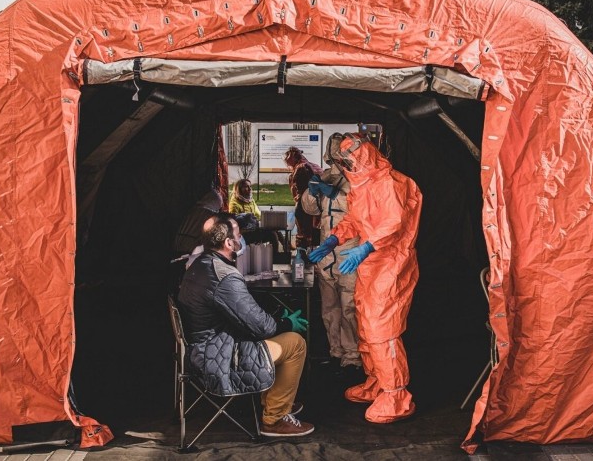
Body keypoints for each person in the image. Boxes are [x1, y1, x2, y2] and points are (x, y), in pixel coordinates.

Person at [309, 133, 422, 424]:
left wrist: (368, 246)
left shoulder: (389, 182)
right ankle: (376, 383)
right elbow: (353, 219)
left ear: (365, 155)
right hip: (371, 265)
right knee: (365, 326)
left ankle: (396, 394)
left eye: (350, 160)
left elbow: (393, 223)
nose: (347, 165)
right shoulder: (362, 185)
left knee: (382, 330)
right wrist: (333, 240)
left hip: (391, 265)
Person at [177, 214, 315, 437]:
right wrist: (286, 322)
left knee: (271, 337)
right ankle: (275, 417)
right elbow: (262, 328)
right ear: (229, 243)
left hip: (203, 349)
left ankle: (275, 401)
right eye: (239, 235)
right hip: (219, 357)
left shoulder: (199, 264)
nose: (242, 238)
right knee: (295, 343)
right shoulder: (225, 277)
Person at [300, 134, 362, 373]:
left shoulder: (357, 181)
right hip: (326, 253)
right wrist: (313, 190)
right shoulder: (327, 176)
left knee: (349, 308)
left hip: (349, 253)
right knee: (330, 307)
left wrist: (336, 194)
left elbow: (362, 210)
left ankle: (353, 355)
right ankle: (335, 350)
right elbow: (309, 208)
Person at [283, 146, 323, 248]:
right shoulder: (310, 166)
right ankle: (313, 253)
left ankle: (303, 253)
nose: (286, 161)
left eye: (288, 158)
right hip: (316, 203)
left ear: (294, 158)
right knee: (314, 229)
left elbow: (301, 188)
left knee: (304, 232)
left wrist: (298, 198)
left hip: (304, 204)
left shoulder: (301, 168)